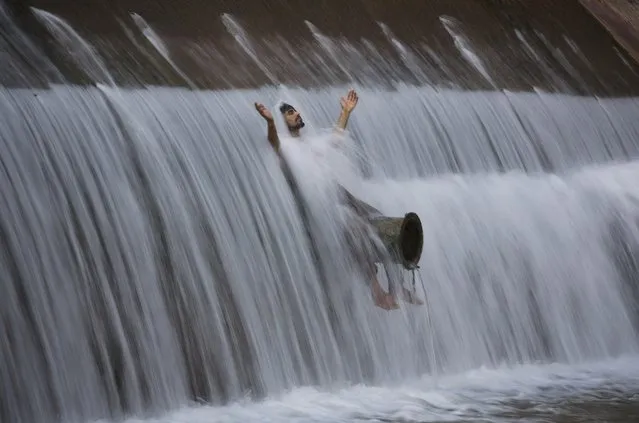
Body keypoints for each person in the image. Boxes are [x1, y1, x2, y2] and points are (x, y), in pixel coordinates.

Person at [254, 90, 422, 310]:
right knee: (359, 231)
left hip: (337, 193)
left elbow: (335, 139)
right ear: (282, 120)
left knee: (379, 220)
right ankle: (377, 292)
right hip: (321, 206)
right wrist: (269, 123)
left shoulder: (310, 144)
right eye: (291, 113)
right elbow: (273, 143)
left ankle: (397, 286)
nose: (296, 115)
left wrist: (345, 112)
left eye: (295, 111)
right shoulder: (285, 147)